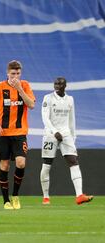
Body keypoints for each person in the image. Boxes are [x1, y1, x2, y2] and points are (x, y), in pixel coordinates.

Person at [0, 60, 35, 210]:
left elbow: (31, 105)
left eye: (18, 74)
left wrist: (20, 89)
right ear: (7, 73)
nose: (15, 76)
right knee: (5, 165)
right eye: (12, 74)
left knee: (21, 163)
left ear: (21, 73)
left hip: (20, 133)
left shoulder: (25, 85)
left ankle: (15, 196)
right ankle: (6, 200)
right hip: (3, 133)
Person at [40, 77, 93, 205]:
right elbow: (45, 117)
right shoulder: (48, 98)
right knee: (47, 165)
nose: (57, 85)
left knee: (73, 161)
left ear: (65, 86)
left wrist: (73, 137)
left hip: (66, 134)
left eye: (60, 84)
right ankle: (46, 196)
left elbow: (71, 119)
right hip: (50, 135)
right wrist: (54, 131)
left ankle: (79, 195)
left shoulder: (70, 99)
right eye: (55, 83)